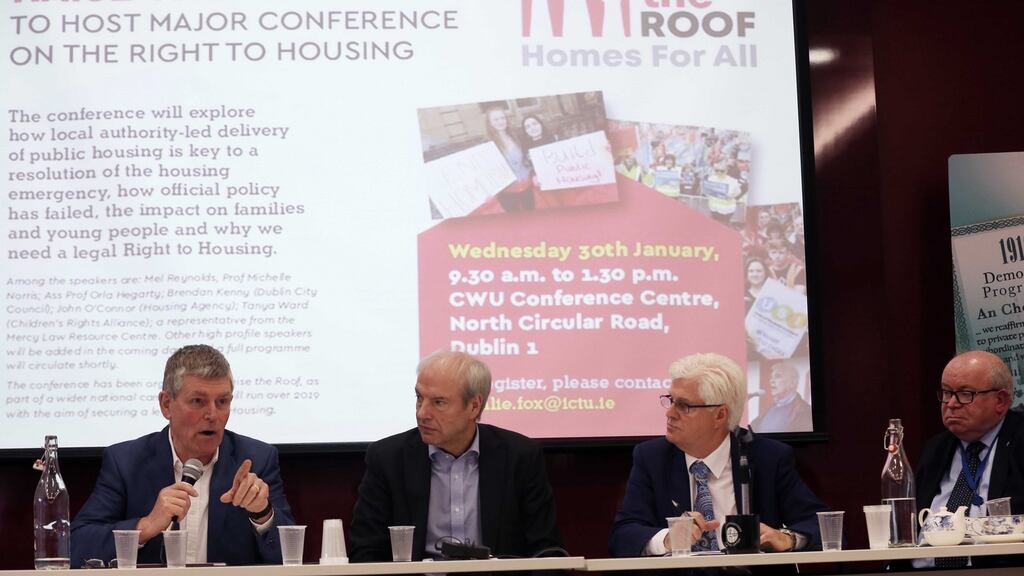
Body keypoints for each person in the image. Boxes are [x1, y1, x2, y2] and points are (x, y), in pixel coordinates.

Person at [70, 345, 295, 568]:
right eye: (198, 401)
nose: (212, 415)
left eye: (222, 402)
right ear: (166, 405)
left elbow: (290, 555)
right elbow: (76, 546)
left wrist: (263, 514)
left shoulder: (257, 459)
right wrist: (145, 526)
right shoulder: (126, 462)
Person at [608, 352, 828, 558]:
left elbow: (822, 525)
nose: (669, 412)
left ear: (720, 415)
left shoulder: (767, 457)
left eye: (683, 405)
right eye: (670, 400)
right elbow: (623, 535)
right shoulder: (652, 458)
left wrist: (786, 538)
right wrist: (667, 539)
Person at [348, 351, 562, 561]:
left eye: (439, 402)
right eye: (419, 398)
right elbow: (365, 551)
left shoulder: (520, 457)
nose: (422, 413)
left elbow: (547, 551)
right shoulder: (388, 459)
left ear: (474, 406)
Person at [914, 350, 1024, 569]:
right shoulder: (936, 449)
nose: (951, 403)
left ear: (1000, 400)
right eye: (946, 393)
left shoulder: (1020, 440)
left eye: (965, 394)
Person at [484, 107, 535, 212]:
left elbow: (529, 154)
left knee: (532, 216)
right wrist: (486, 190)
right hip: (507, 192)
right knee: (516, 222)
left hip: (527, 187)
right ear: (489, 123)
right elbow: (485, 170)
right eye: (496, 119)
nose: (500, 122)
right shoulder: (488, 145)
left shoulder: (518, 137)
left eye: (502, 118)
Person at [750, 362, 812, 433]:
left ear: (792, 383)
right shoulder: (768, 408)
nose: (771, 381)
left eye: (777, 376)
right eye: (771, 378)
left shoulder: (804, 411)